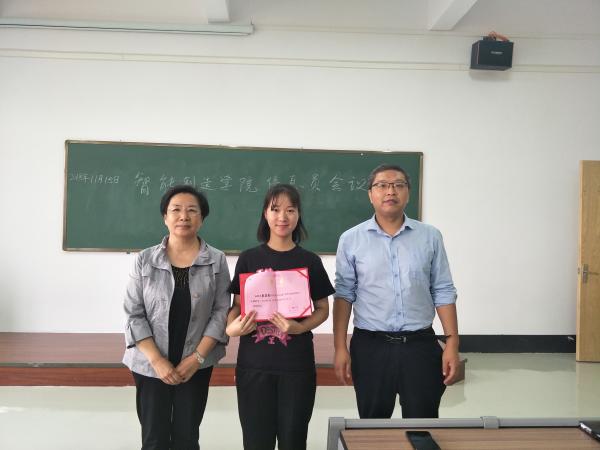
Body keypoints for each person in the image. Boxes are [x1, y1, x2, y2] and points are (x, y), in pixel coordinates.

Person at [333, 164, 459, 419]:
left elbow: (443, 289)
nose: (390, 191)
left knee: (423, 423)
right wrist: (340, 347)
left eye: (398, 185)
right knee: (372, 424)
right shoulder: (351, 239)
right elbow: (344, 295)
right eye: (382, 185)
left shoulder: (430, 237)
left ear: (408, 193)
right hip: (370, 347)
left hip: (420, 345)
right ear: (370, 194)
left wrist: (452, 343)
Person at [227, 183, 334, 450]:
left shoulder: (310, 261)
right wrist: (232, 327)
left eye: (290, 210)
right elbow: (237, 306)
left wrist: (300, 328)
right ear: (265, 213)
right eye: (275, 209)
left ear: (298, 215)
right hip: (254, 366)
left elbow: (323, 308)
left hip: (296, 367)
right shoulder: (249, 259)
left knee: (293, 441)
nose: (282, 217)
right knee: (256, 442)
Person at [123, 185, 230, 450]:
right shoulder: (145, 259)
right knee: (154, 439)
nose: (184, 216)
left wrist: (197, 358)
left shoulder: (216, 260)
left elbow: (221, 313)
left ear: (202, 218)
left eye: (192, 210)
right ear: (165, 217)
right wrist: (157, 361)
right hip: (150, 364)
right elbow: (134, 313)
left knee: (187, 438)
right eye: (176, 210)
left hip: (196, 363)